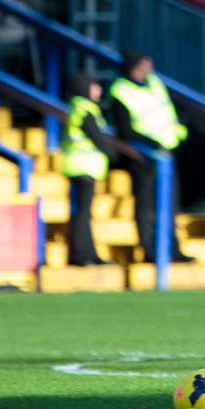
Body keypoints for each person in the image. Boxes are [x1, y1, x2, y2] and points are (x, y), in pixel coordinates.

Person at [106, 52, 194, 265]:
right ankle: (149, 250)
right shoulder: (121, 90)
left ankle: (172, 248)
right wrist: (149, 143)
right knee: (146, 206)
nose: (147, 69)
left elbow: (167, 114)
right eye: (142, 65)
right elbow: (124, 130)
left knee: (171, 204)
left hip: (166, 152)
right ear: (131, 67)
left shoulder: (155, 84)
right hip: (142, 156)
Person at [62, 75, 122, 267]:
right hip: (83, 167)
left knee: (83, 213)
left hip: (80, 166)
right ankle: (82, 255)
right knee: (83, 213)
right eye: (95, 87)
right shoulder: (85, 109)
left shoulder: (78, 107)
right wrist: (114, 156)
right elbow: (97, 137)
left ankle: (88, 253)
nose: (98, 91)